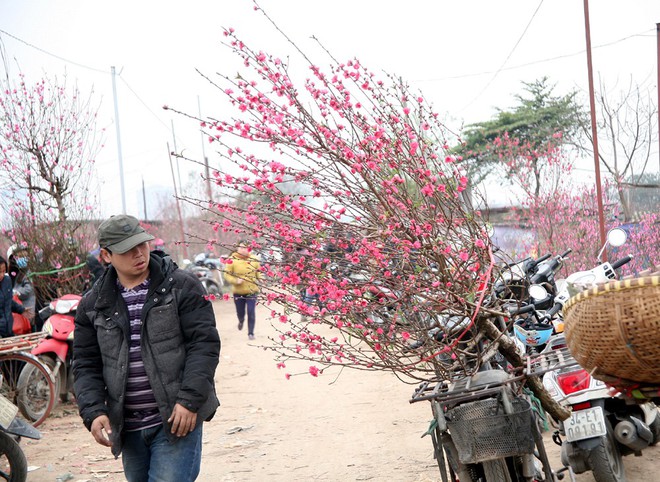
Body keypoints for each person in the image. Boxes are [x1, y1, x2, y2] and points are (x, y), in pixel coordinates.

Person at [72, 214, 220, 482]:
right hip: (128, 427)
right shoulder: (93, 305)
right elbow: (85, 364)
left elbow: (204, 344)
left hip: (177, 420)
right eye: (127, 250)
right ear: (106, 255)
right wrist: (94, 411)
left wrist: (189, 400)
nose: (138, 253)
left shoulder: (181, 286)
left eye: (141, 244)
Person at [223, 240, 261, 340]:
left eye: (245, 248)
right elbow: (227, 274)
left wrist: (261, 279)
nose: (243, 250)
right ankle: (241, 320)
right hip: (238, 291)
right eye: (241, 247)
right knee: (240, 312)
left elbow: (259, 273)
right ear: (237, 248)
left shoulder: (254, 259)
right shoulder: (232, 260)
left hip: (252, 290)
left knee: (251, 311)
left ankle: (251, 333)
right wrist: (235, 280)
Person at [7, 244, 36, 328]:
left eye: (25, 255)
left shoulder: (29, 271)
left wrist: (17, 292)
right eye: (19, 256)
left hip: (27, 307)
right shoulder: (12, 273)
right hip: (17, 311)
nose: (23, 258)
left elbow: (29, 288)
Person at [0, 255, 29, 337]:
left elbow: (8, 301)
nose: (2, 275)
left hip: (8, 328)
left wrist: (21, 310)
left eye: (4, 271)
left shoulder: (7, 281)